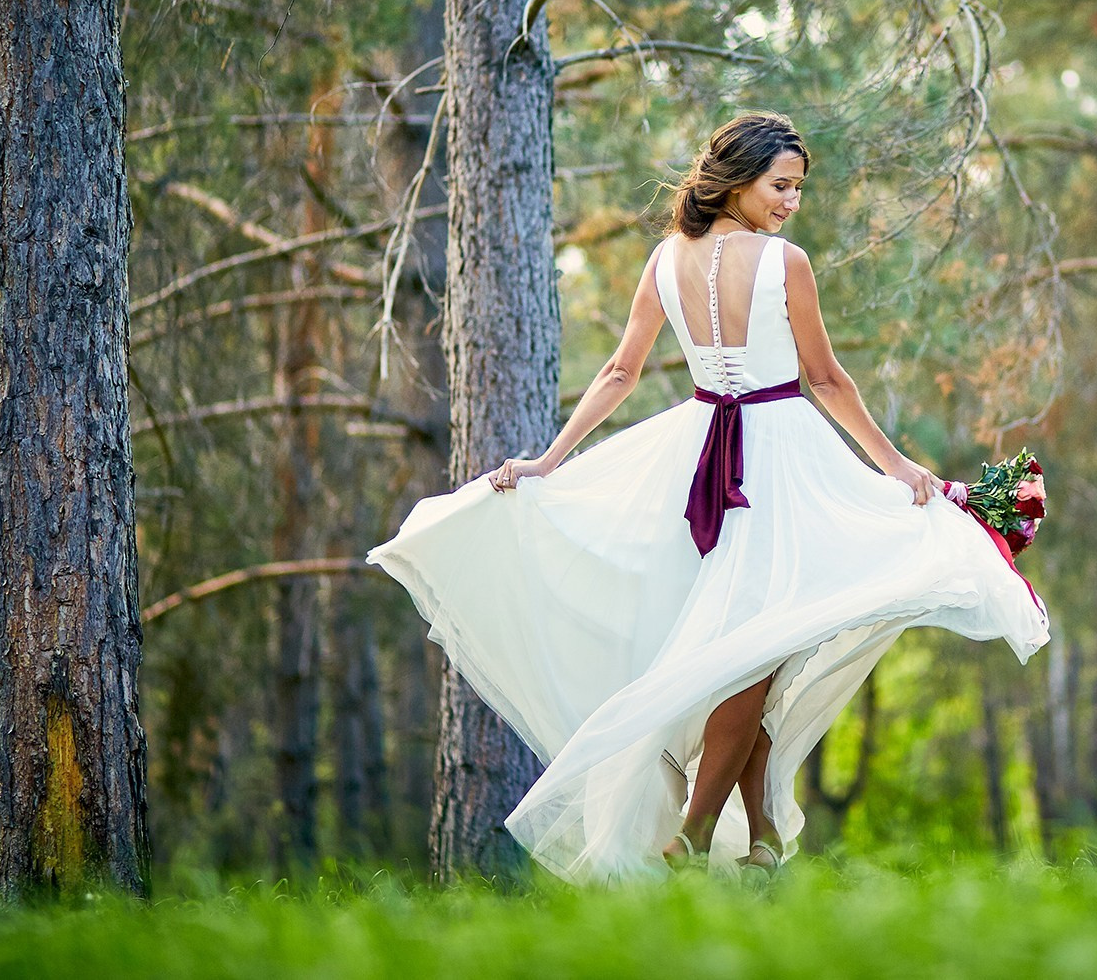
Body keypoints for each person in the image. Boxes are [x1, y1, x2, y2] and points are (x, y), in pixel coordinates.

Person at [366, 110, 1049, 883]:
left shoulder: (665, 258)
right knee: (753, 650)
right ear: (738, 178)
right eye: (781, 185)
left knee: (753, 643)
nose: (791, 201)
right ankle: (694, 836)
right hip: (776, 458)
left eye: (797, 188)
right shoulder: (783, 262)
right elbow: (825, 378)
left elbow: (621, 371)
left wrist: (553, 458)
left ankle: (760, 837)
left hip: (698, 455)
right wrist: (893, 464)